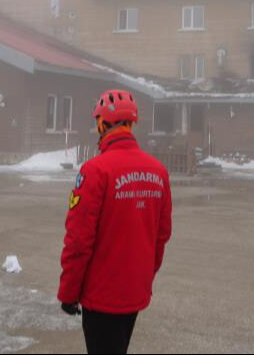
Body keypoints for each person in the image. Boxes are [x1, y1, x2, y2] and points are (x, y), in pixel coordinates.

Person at [58, 89, 172, 355]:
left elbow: (78, 241)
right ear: (131, 124)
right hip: (134, 293)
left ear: (102, 124)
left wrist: (68, 292)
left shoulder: (95, 171)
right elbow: (161, 235)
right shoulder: (158, 171)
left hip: (101, 297)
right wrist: (144, 278)